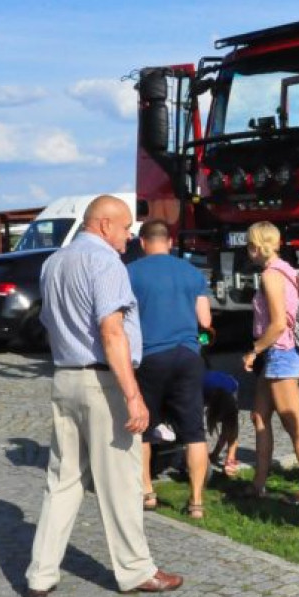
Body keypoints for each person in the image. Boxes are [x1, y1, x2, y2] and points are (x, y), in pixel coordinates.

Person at [24, 196, 182, 597]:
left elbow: (49, 323)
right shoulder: (105, 262)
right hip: (103, 381)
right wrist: (133, 395)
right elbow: (112, 332)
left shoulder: (53, 262)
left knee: (62, 481)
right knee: (121, 483)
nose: (130, 236)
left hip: (65, 377)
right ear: (104, 224)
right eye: (126, 227)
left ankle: (40, 574)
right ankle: (135, 570)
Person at [127, 219, 213, 517]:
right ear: (170, 241)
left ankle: (148, 492)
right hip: (188, 356)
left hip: (151, 356)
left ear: (142, 242)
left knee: (143, 430)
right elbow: (205, 321)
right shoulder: (191, 272)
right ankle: (197, 502)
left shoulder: (131, 272)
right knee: (194, 432)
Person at [242, 221, 299, 504]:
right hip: (285, 352)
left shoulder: (271, 276)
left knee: (293, 423)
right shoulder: (288, 270)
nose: (248, 251)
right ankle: (258, 484)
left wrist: (254, 350)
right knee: (259, 417)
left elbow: (278, 324)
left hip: (280, 351)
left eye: (249, 245)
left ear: (256, 246)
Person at [204, 368, 241, 477]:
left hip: (230, 385)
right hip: (204, 385)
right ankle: (213, 455)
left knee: (230, 424)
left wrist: (230, 458)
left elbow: (231, 428)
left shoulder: (232, 388)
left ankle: (230, 458)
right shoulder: (200, 391)